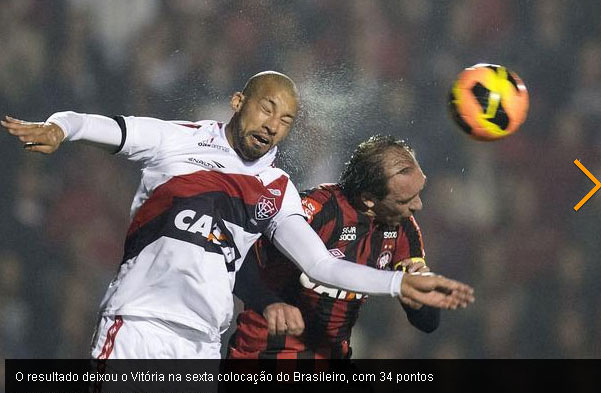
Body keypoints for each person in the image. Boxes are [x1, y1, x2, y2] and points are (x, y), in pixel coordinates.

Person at [1, 71, 474, 360]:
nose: (273, 125)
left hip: (204, 342)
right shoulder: (175, 139)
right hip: (140, 323)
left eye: (286, 120)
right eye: (267, 108)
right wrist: (60, 127)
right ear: (238, 102)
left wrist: (398, 284)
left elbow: (321, 265)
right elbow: (100, 124)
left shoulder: (279, 189)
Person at [229, 135, 446, 360]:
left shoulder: (403, 229)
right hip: (263, 356)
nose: (418, 205)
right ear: (369, 199)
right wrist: (268, 302)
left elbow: (428, 323)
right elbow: (236, 261)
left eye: (419, 193)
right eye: (405, 199)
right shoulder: (314, 212)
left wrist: (418, 303)